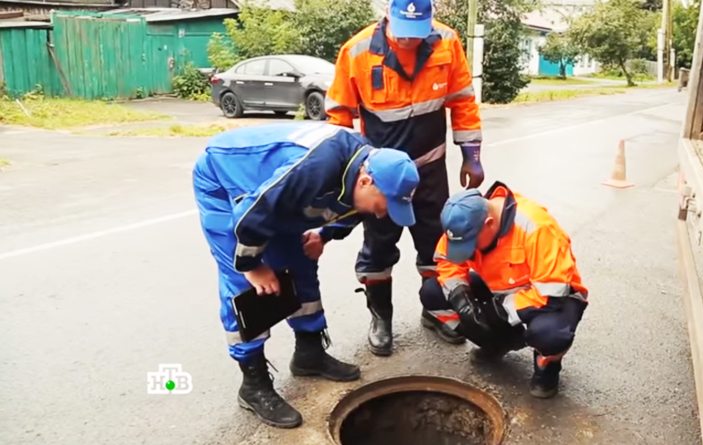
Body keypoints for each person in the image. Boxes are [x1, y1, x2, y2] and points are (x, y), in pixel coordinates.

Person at [192, 122, 420, 428]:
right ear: (366, 181)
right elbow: (252, 213)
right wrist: (253, 266)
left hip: (272, 197)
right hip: (228, 182)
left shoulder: (368, 167)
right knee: (245, 287)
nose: (382, 214)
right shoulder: (315, 169)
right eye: (384, 205)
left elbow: (351, 207)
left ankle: (309, 353)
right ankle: (253, 384)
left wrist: (323, 235)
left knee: (300, 260)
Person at [325, 0, 483, 357]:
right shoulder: (357, 51)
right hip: (382, 178)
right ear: (388, 15)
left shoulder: (447, 41)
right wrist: (344, 172)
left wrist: (471, 154)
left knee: (435, 244)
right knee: (378, 248)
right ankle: (381, 317)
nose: (410, 40)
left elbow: (462, 100)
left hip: (429, 169)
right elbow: (338, 117)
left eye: (417, 32)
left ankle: (436, 310)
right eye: (403, 33)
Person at [420, 183, 589, 398]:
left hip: (553, 298)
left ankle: (547, 367)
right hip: (500, 289)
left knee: (549, 334)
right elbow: (448, 262)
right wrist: (462, 300)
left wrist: (497, 312)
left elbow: (551, 293)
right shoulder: (463, 221)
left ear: (489, 224)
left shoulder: (537, 227)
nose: (469, 251)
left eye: (472, 244)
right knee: (432, 293)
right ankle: (497, 343)